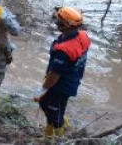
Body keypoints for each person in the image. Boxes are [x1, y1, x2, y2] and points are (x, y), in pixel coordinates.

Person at [33, 7, 90, 137]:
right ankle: (49, 130)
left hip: (60, 85)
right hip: (73, 79)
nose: (56, 24)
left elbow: (54, 75)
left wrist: (42, 89)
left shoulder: (64, 50)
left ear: (65, 26)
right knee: (58, 106)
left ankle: (59, 134)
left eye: (59, 22)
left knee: (49, 106)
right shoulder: (83, 36)